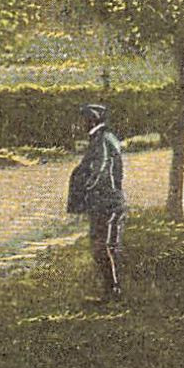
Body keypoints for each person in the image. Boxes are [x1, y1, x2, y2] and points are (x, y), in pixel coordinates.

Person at [66, 103, 127, 301]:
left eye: (83, 119)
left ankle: (113, 290)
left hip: (106, 201)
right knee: (103, 245)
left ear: (91, 120)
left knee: (104, 246)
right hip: (105, 201)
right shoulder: (104, 138)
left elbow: (99, 170)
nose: (79, 124)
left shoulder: (101, 140)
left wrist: (85, 189)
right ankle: (111, 289)